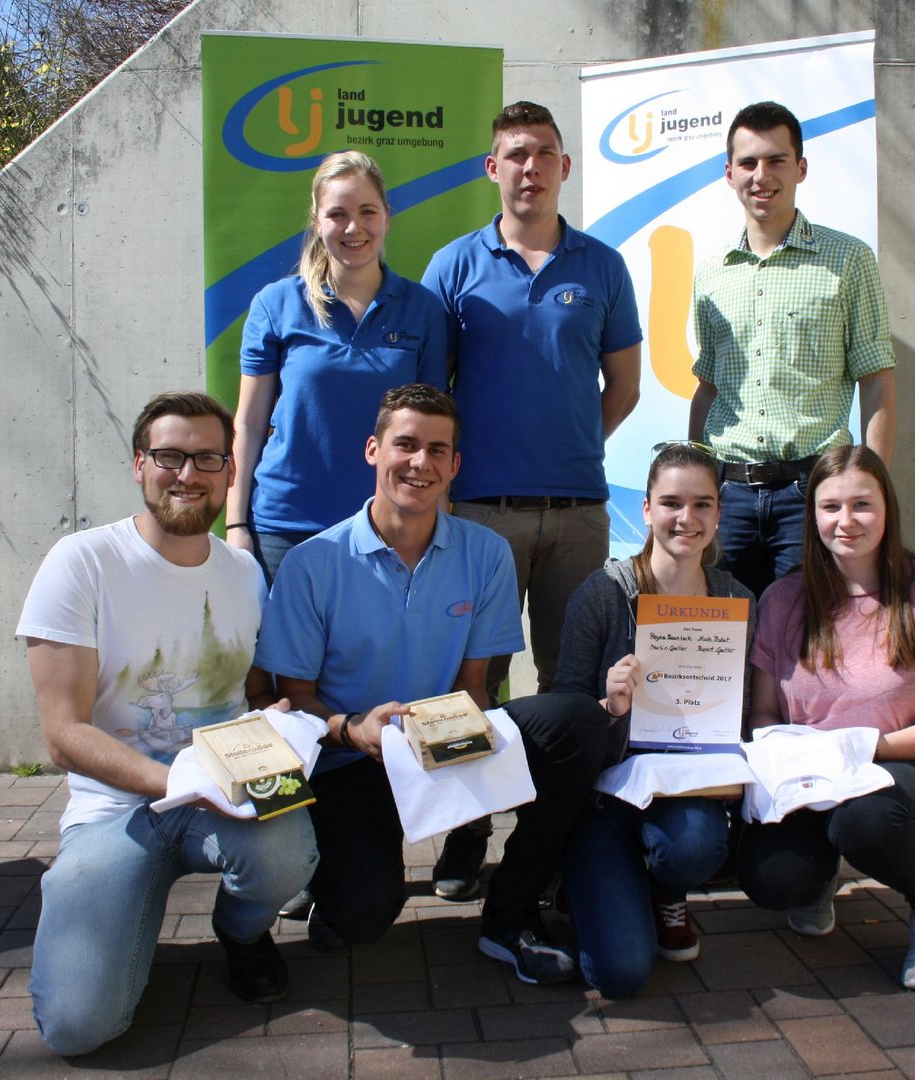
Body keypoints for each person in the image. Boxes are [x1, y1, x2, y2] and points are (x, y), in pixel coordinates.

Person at [253, 383, 609, 985]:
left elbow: (475, 687)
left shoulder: (487, 552)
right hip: (352, 758)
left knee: (576, 721)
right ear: (373, 450)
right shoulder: (314, 562)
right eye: (406, 444)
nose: (420, 462)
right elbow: (294, 699)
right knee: (361, 916)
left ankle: (511, 913)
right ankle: (329, 873)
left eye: (437, 450)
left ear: (455, 465)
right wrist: (352, 729)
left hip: (439, 742)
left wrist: (466, 761)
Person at [17, 391, 317, 1056]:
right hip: (115, 808)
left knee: (289, 851)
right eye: (169, 456)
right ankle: (118, 912)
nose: (188, 474)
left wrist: (284, 725)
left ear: (230, 471)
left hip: (224, 794)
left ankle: (241, 932)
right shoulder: (82, 562)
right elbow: (64, 734)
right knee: (77, 1029)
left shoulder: (245, 572)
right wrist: (184, 783)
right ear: (138, 465)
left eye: (207, 458)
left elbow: (256, 694)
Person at [421, 100, 642, 900]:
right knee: (470, 678)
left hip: (578, 511)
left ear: (564, 167)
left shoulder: (602, 266)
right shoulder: (454, 266)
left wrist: (571, 444)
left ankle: (553, 838)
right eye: (515, 153)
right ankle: (465, 829)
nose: (530, 167)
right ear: (493, 168)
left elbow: (624, 387)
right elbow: (432, 394)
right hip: (479, 510)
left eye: (544, 153)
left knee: (571, 683)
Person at [737, 446, 915, 992]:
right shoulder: (783, 599)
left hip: (906, 771)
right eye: (830, 507)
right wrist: (783, 758)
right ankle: (819, 875)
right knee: (773, 879)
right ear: (813, 516)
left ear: (887, 509)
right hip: (809, 777)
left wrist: (867, 748)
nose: (845, 521)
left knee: (863, 822)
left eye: (861, 505)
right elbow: (764, 712)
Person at [555, 441, 754, 996]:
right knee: (621, 974)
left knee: (694, 847)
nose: (686, 518)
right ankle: (587, 878)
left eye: (702, 504)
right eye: (671, 503)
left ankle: (667, 890)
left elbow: (738, 715)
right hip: (604, 795)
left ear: (719, 512)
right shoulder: (603, 594)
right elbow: (561, 716)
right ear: (646, 509)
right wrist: (607, 708)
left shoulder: (736, 601)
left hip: (686, 788)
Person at [689, 101, 897, 597]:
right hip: (728, 494)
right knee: (724, 634)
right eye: (748, 163)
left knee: (810, 630)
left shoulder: (848, 259)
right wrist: (698, 482)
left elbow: (876, 378)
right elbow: (708, 387)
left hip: (812, 490)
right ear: (729, 174)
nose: (761, 176)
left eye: (776, 160)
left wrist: (871, 485)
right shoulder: (712, 271)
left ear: (801, 168)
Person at [230, 150, 448, 583]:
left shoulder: (423, 310)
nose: (353, 227)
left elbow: (434, 434)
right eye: (337, 214)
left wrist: (437, 525)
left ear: (387, 216)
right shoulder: (276, 304)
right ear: (317, 221)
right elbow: (250, 424)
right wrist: (236, 525)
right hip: (284, 527)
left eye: (367, 211)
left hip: (386, 528)